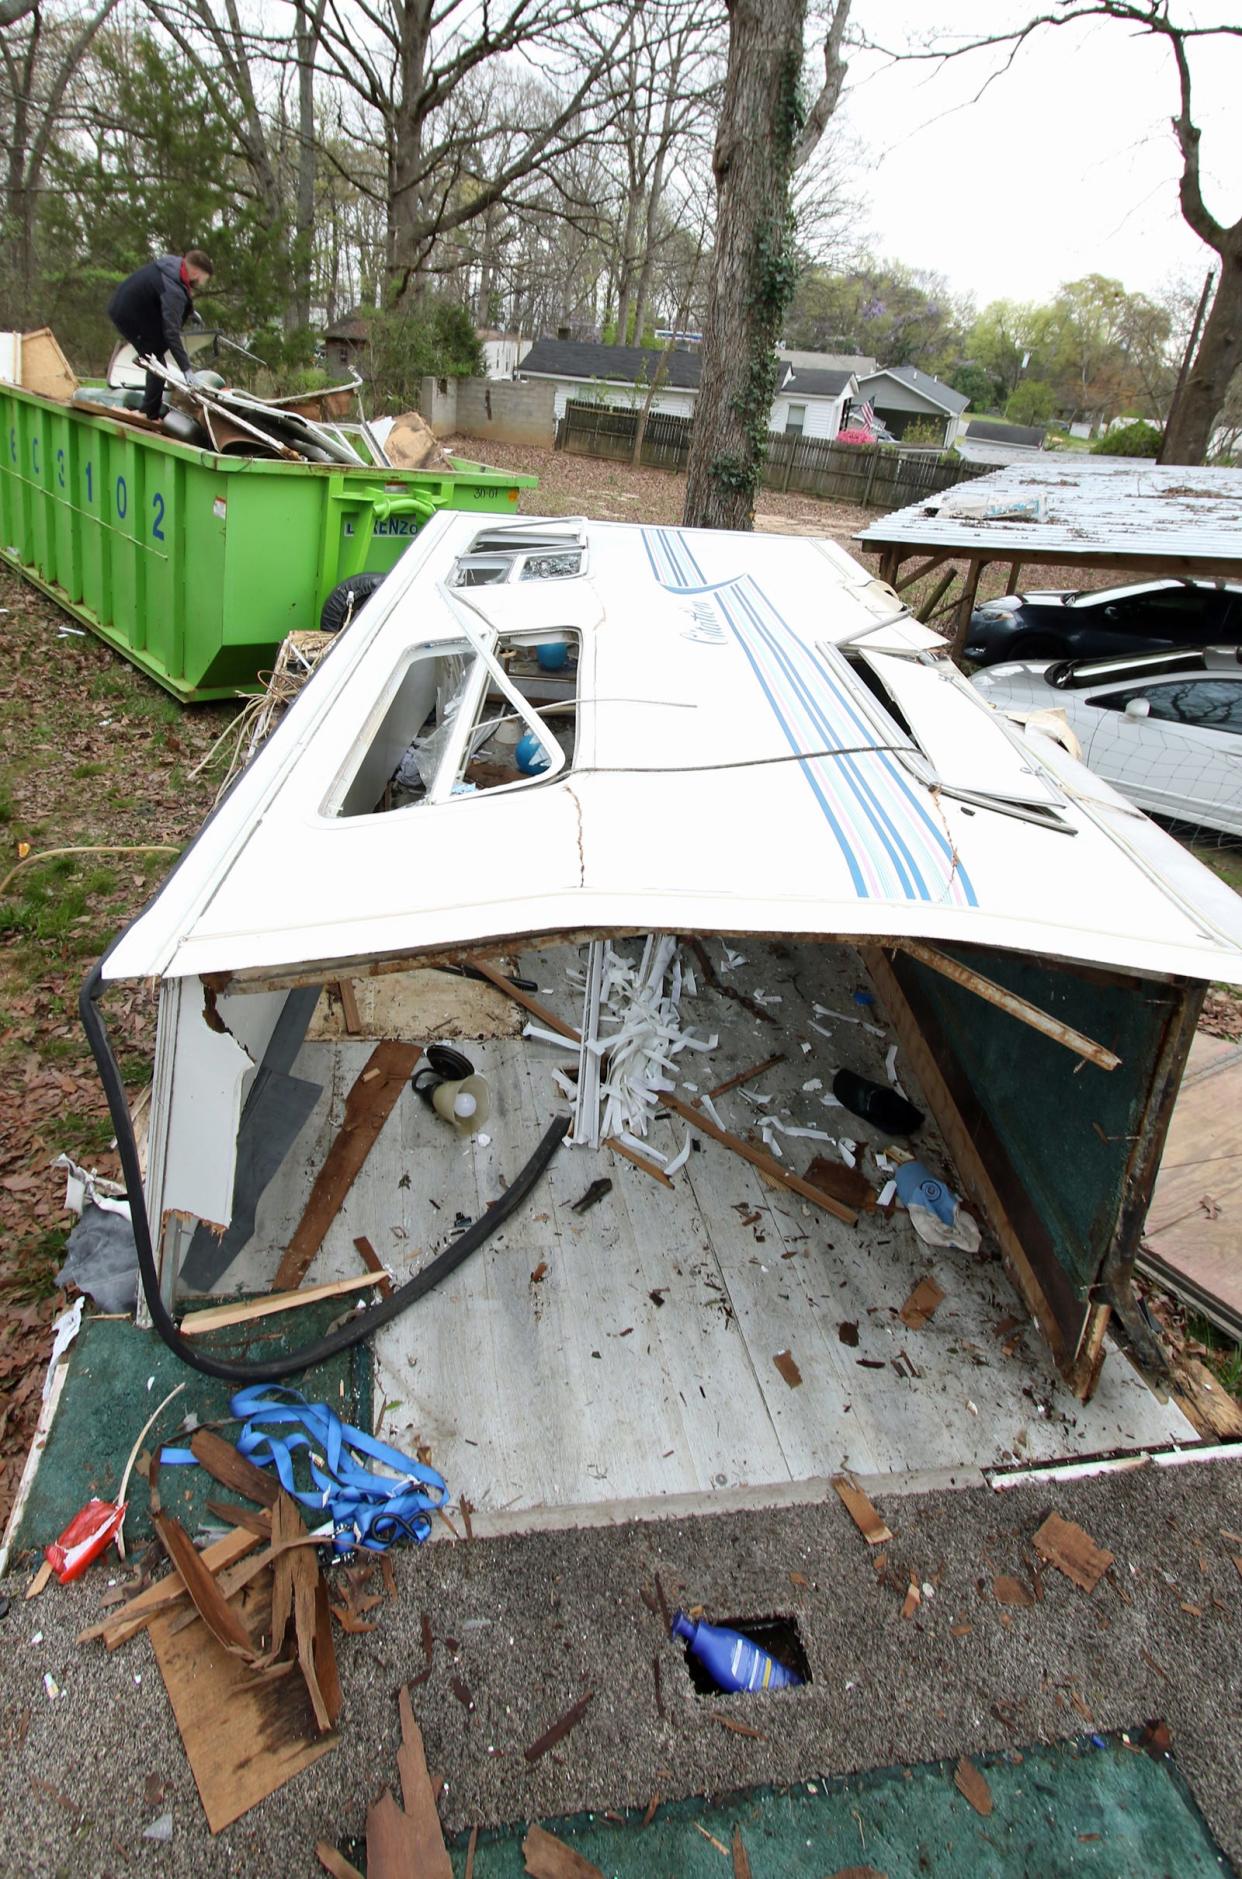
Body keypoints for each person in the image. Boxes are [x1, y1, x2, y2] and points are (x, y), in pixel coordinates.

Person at [107, 250, 213, 420]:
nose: (201, 283)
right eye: (202, 279)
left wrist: (190, 311)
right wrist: (186, 369)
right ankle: (148, 414)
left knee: (158, 348)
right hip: (127, 314)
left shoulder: (175, 265)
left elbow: (182, 288)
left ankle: (149, 409)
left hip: (137, 307)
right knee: (156, 361)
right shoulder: (173, 290)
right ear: (194, 272)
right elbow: (172, 333)